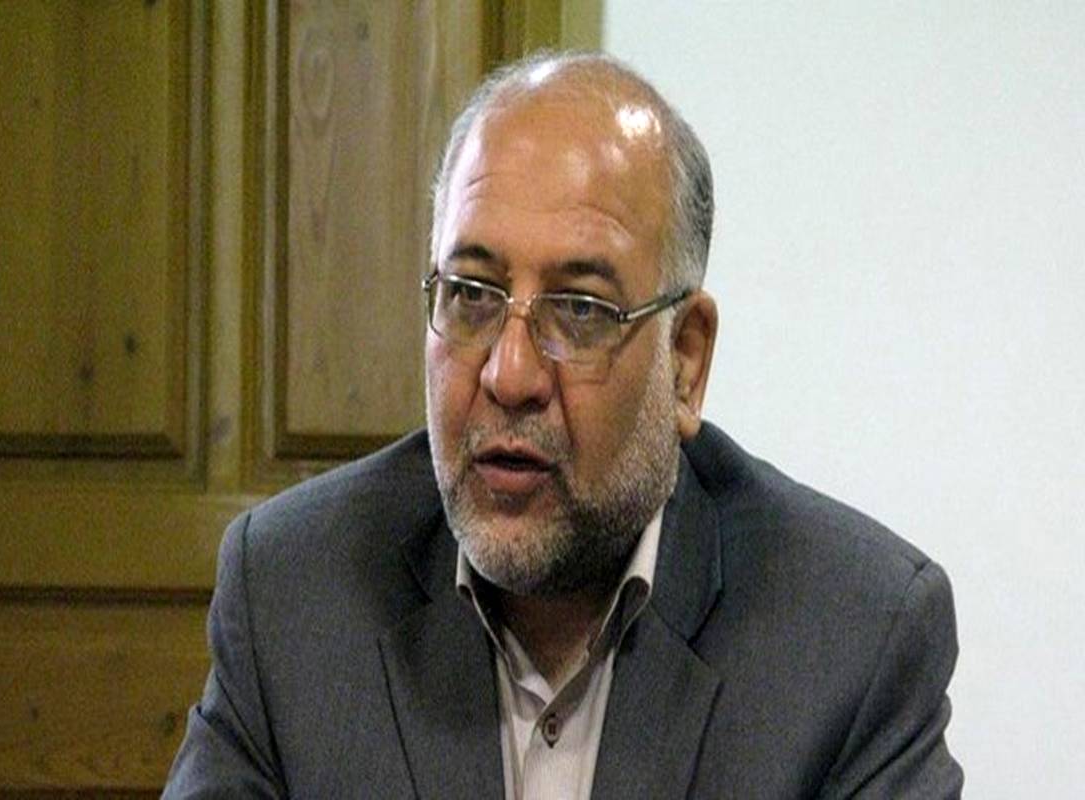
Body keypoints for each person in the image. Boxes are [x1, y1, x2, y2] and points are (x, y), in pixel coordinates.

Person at [163, 52, 962, 799]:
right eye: (470, 294)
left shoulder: (855, 636)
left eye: (580, 310)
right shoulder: (293, 590)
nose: (509, 376)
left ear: (685, 361)